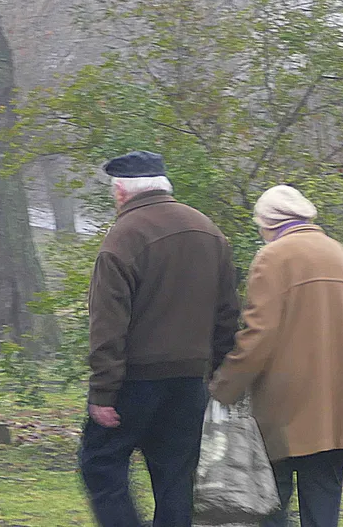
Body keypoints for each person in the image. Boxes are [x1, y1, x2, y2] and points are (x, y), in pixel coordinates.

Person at [79, 151, 242, 527]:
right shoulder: (209, 231)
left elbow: (108, 324)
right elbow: (227, 315)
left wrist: (103, 393)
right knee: (175, 478)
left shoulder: (122, 239)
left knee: (100, 466)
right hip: (190, 381)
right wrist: (219, 372)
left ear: (121, 192)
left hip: (136, 379)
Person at [210, 185, 343, 527]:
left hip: (284, 409)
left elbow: (260, 333)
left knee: (272, 503)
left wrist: (225, 385)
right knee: (323, 505)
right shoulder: (340, 255)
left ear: (268, 223)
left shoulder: (273, 257)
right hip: (334, 409)